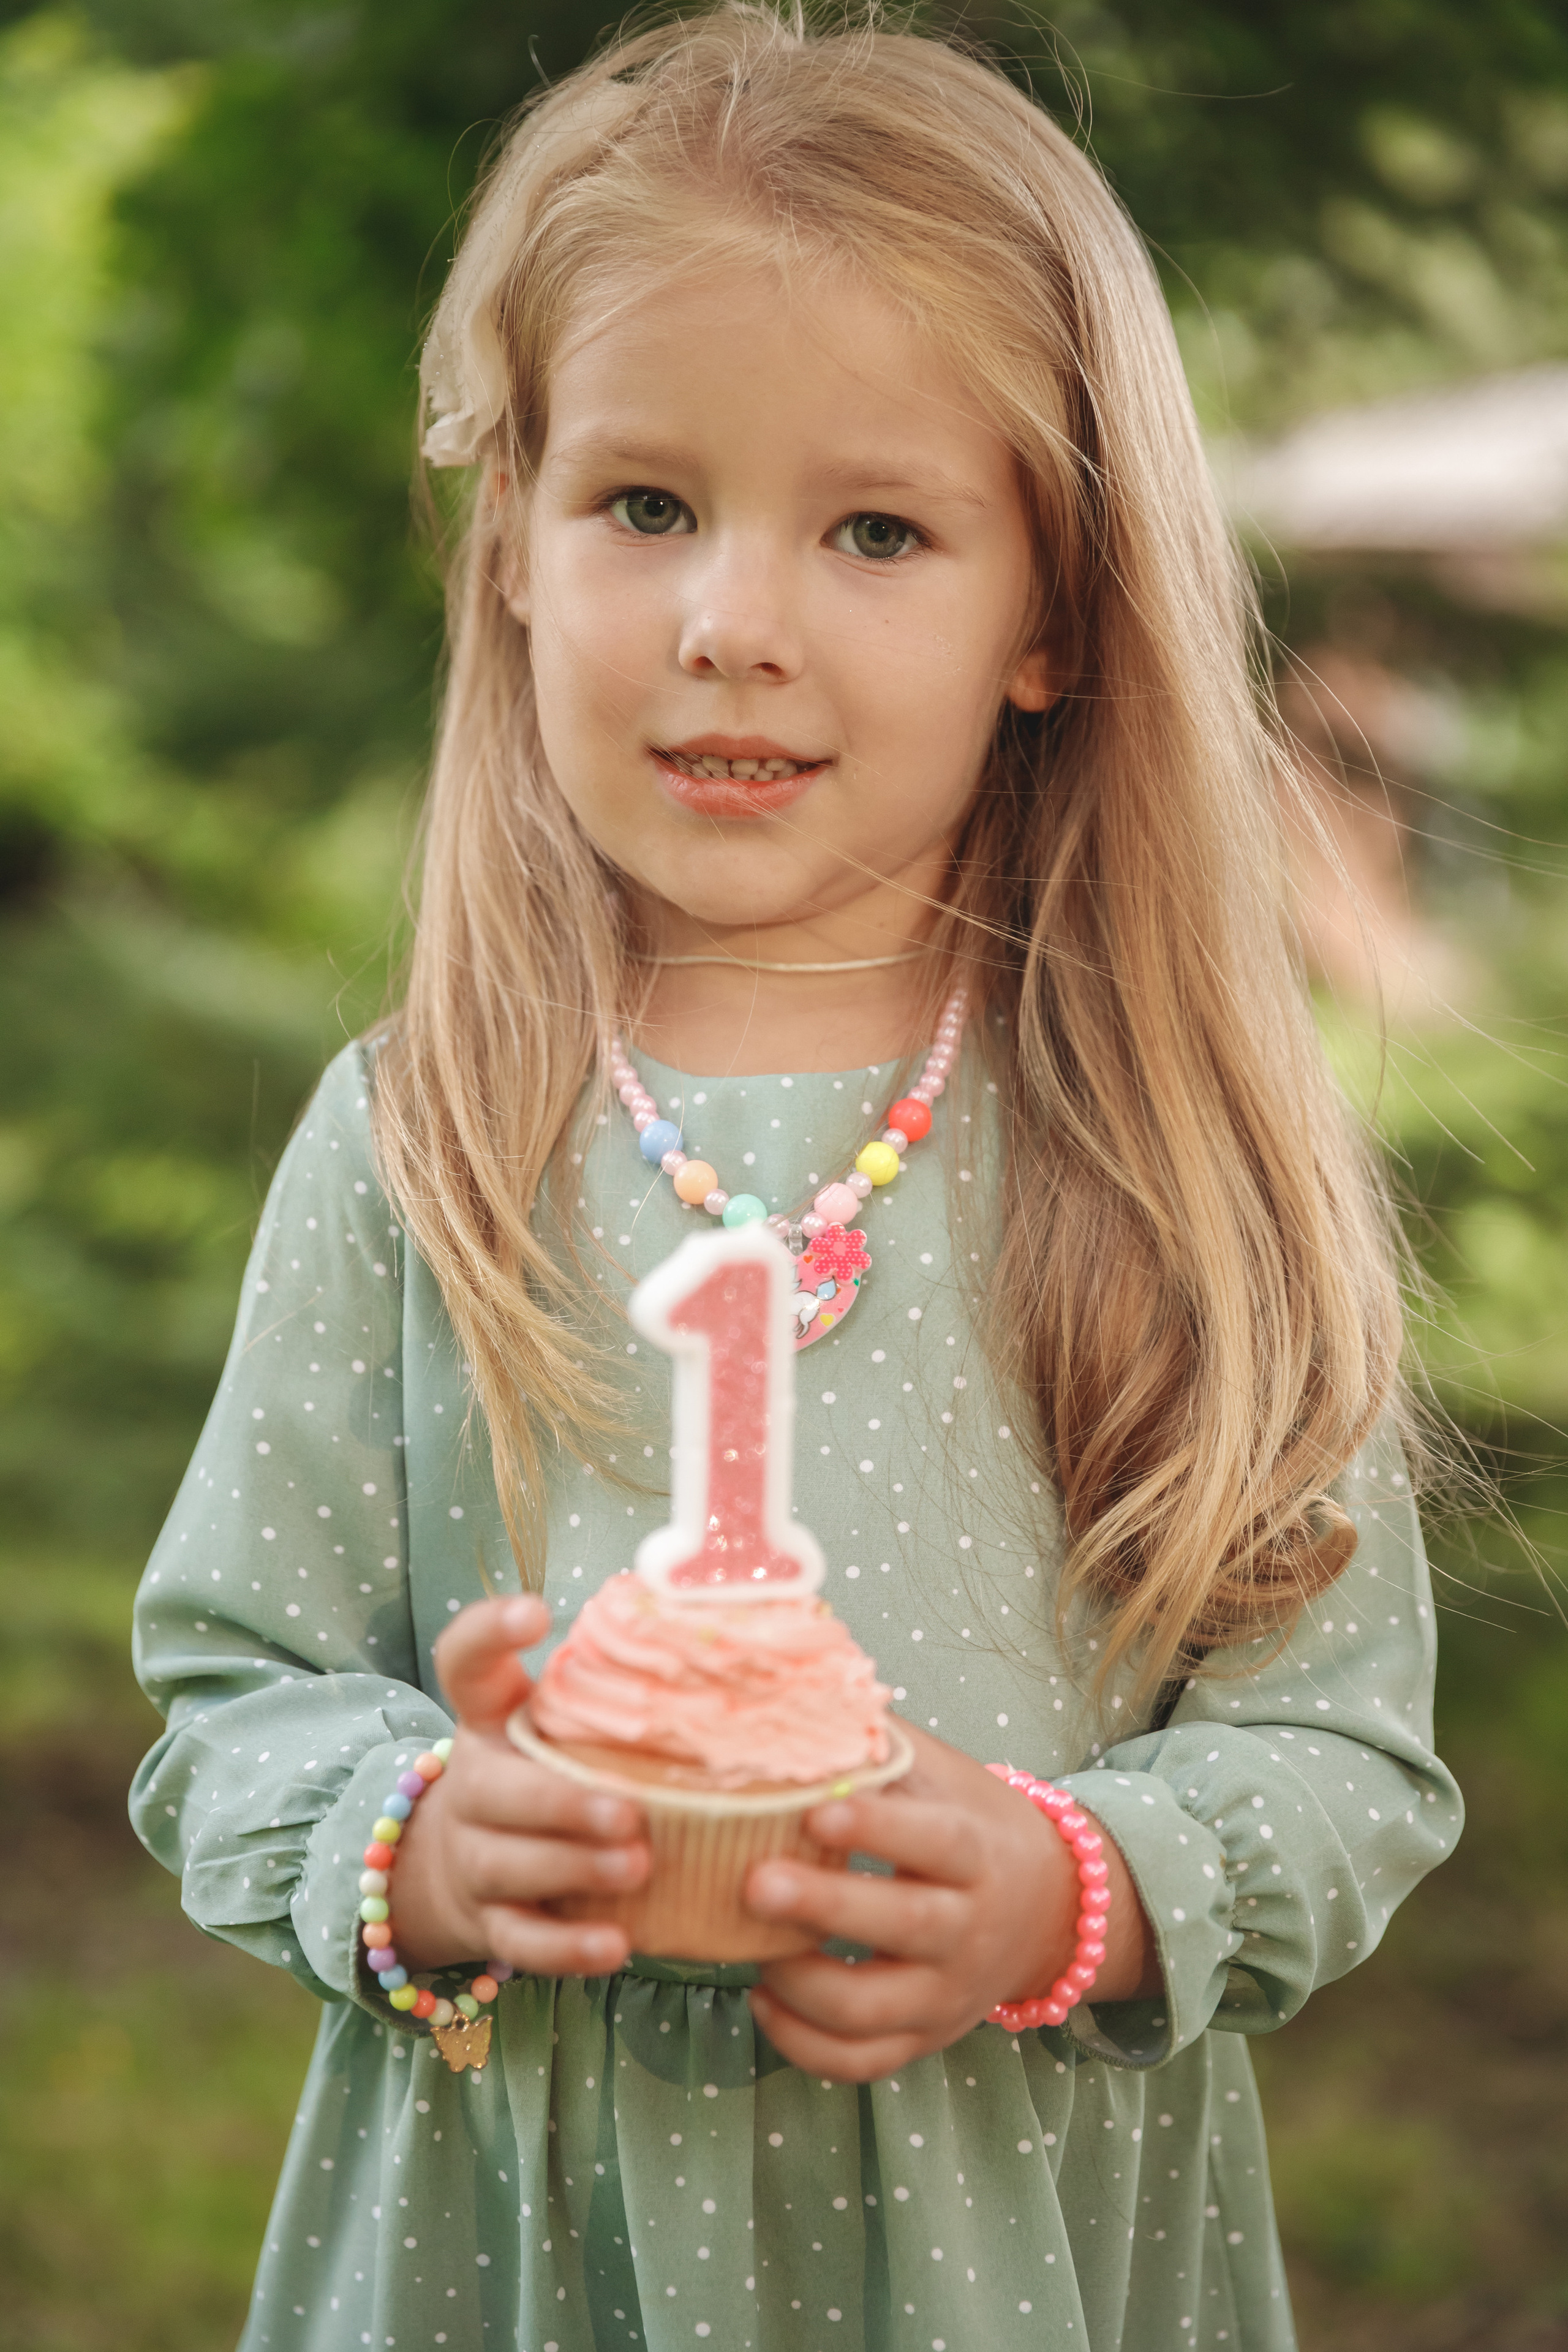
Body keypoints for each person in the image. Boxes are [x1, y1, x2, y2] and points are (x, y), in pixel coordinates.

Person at [129, 10, 1463, 2348]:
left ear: (1050, 608)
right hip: (519, 2250)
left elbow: (1340, 1754)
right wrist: (421, 1838)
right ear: (518, 554)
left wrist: (1075, 1888)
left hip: (1012, 2238)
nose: (735, 615)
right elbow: (232, 1688)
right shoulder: (430, 1132)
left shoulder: (1168, 1160)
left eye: (875, 528)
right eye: (647, 504)